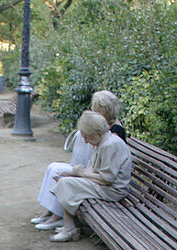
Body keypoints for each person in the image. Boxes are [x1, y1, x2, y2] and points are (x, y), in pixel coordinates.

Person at [34, 90, 127, 230]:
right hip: (93, 172)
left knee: (65, 181)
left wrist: (80, 173)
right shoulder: (102, 134)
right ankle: (53, 212)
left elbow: (108, 176)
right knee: (55, 170)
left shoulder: (109, 137)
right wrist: (77, 172)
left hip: (106, 184)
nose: (86, 140)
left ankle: (61, 219)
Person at [48, 110, 132, 241]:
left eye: (87, 137)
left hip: (113, 190)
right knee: (65, 180)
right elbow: (94, 171)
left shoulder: (110, 145)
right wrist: (73, 173)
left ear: (96, 133)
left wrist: (81, 173)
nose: (86, 141)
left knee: (66, 184)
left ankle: (70, 228)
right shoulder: (103, 142)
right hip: (104, 186)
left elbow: (107, 179)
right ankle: (69, 225)